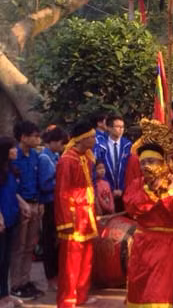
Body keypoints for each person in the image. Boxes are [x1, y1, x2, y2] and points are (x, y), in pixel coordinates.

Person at [124, 142, 173, 308]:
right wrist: (151, 191)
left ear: (162, 163)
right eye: (143, 163)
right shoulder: (137, 185)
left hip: (166, 245)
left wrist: (169, 192)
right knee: (138, 288)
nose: (146, 166)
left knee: (157, 292)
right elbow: (132, 207)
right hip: (142, 244)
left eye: (151, 161)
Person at [55, 121, 98, 307]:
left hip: (87, 215)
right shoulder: (67, 161)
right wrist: (65, 221)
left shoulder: (86, 158)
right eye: (92, 137)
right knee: (70, 261)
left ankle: (81, 295)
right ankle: (67, 300)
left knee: (86, 257)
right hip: (73, 217)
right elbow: (62, 193)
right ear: (82, 139)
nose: (95, 140)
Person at [10, 121, 44, 301]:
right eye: (35, 136)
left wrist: (40, 202)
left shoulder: (34, 155)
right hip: (20, 205)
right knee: (19, 246)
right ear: (23, 137)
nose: (38, 139)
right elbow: (10, 185)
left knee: (30, 245)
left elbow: (38, 180)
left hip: (35, 203)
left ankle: (25, 280)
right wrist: (21, 203)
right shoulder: (13, 156)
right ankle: (15, 285)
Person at [38, 126, 67, 292]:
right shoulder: (44, 158)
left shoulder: (55, 156)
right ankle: (51, 277)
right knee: (49, 240)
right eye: (61, 143)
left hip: (57, 202)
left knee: (57, 240)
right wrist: (61, 183)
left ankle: (57, 273)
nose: (62, 147)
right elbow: (45, 184)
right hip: (49, 203)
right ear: (54, 142)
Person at [0, 137, 21, 308]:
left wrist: (24, 204)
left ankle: (5, 294)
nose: (15, 150)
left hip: (11, 218)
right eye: (12, 148)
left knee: (7, 259)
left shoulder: (11, 169)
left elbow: (13, 192)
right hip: (2, 220)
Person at [95, 115, 131, 212]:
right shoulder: (101, 146)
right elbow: (99, 169)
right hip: (106, 192)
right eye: (117, 127)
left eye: (122, 127)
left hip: (125, 191)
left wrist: (123, 189)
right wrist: (110, 188)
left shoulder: (128, 145)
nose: (121, 129)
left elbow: (130, 169)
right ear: (109, 128)